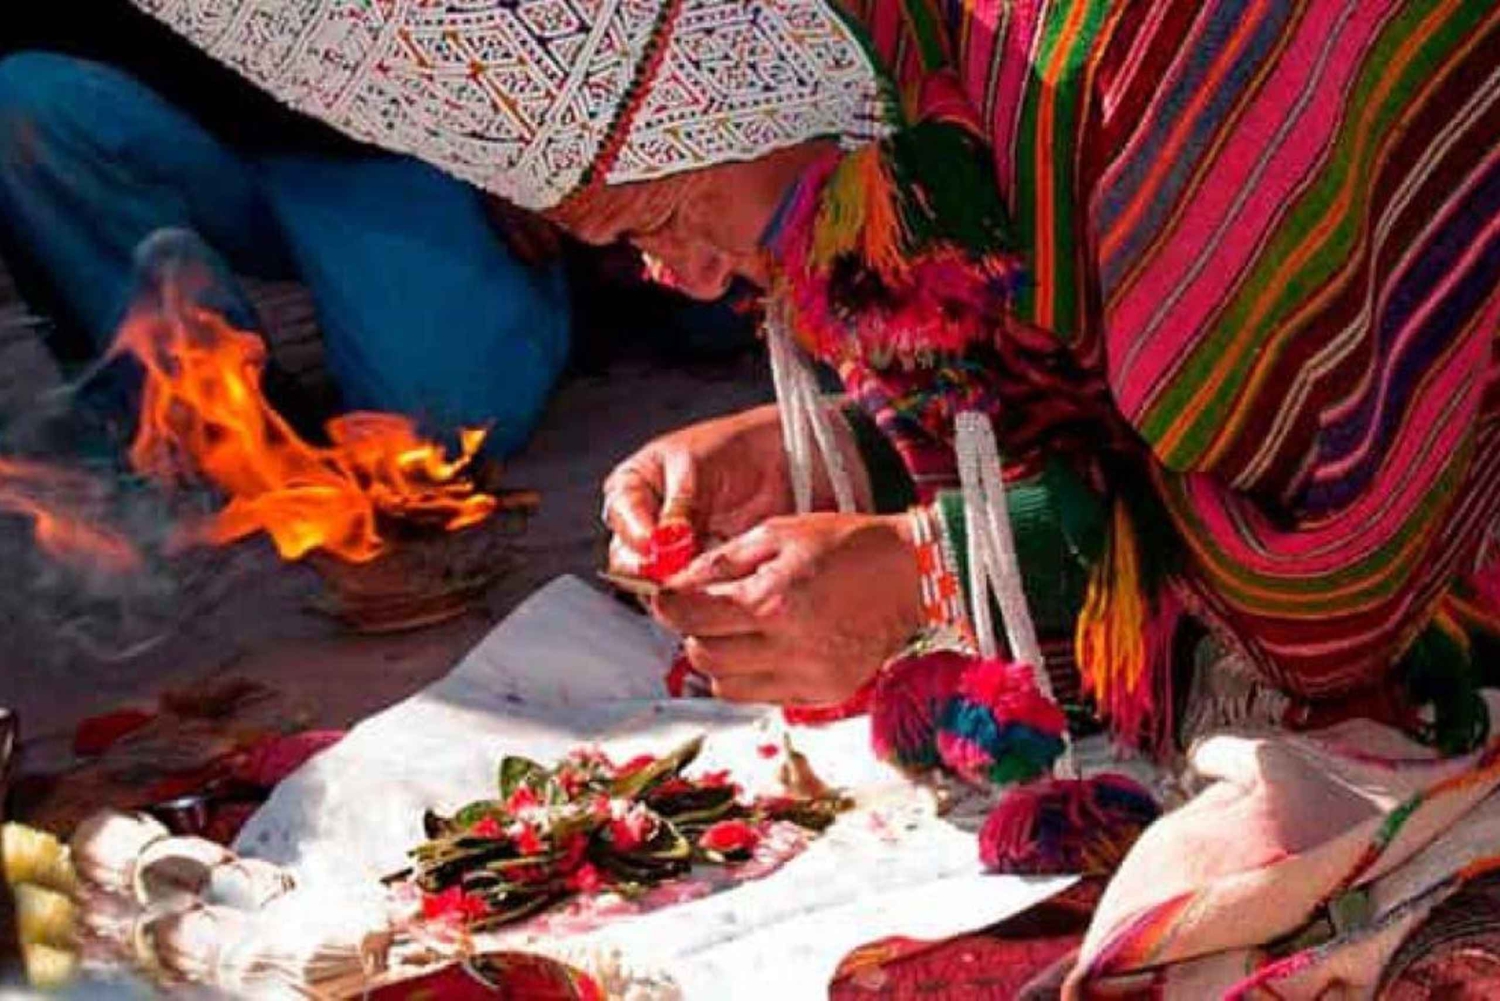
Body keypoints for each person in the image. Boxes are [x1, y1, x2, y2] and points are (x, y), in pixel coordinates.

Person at [125, 1, 1500, 750]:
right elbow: (1058, 320)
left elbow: (1327, 559)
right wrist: (822, 449)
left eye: (654, 221)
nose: (695, 282)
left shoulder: (1151, 85)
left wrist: (937, 567)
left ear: (723, 79)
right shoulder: (917, 66)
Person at [0, 4, 572, 457]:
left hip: (391, 140)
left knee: (443, 432)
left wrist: (524, 135)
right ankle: (216, 421)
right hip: (201, 137)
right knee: (24, 96)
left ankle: (550, 285)